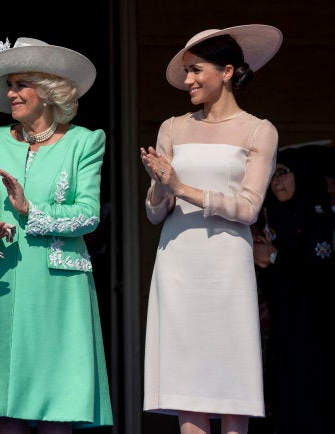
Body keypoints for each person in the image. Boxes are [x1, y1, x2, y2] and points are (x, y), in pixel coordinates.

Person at [0, 36, 113, 433]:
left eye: (20, 84)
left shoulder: (84, 142)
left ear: (48, 89)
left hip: (57, 289)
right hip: (1, 278)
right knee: (8, 407)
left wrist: (30, 211)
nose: (11, 93)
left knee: (57, 408)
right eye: (9, 85)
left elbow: (88, 215)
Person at [139, 24, 282, 434]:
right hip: (178, 264)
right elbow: (153, 213)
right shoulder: (172, 127)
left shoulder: (259, 130)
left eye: (196, 70)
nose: (187, 81)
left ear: (227, 71)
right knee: (188, 391)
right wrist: (161, 188)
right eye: (186, 71)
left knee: (231, 386)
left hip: (226, 267)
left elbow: (250, 208)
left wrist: (183, 186)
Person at [252, 146, 333, 433]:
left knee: (311, 401)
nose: (276, 182)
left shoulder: (318, 215)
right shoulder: (272, 217)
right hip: (282, 327)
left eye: (283, 173)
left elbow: (319, 272)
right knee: (284, 400)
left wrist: (274, 257)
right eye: (272, 175)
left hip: (314, 329)